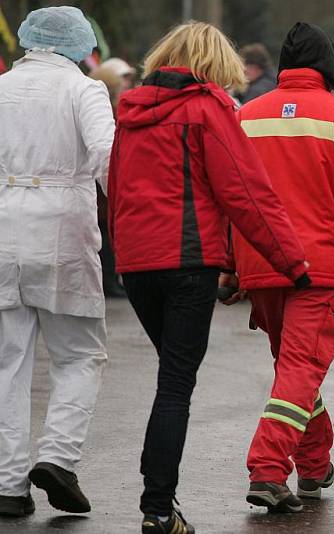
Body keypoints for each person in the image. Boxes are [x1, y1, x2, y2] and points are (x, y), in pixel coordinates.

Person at [107, 22, 308, 533]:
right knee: (175, 386)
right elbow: (246, 194)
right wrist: (293, 264)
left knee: (169, 380)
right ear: (215, 63)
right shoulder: (208, 109)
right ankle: (156, 506)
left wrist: (120, 257)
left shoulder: (128, 113)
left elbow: (116, 190)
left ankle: (159, 501)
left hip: (136, 265)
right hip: (187, 264)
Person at [229, 22, 334, 513]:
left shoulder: (246, 116)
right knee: (301, 368)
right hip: (319, 269)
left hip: (262, 264)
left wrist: (229, 264)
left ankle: (315, 465)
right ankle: (268, 469)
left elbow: (226, 195)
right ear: (329, 65)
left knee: (294, 371)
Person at [0, 6, 114, 517]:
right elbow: (109, 156)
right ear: (80, 44)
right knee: (79, 352)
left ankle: (7, 484)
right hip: (64, 226)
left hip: (3, 223)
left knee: (8, 362)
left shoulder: (1, 89)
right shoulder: (84, 90)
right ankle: (58, 457)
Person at [88, 66, 127, 298]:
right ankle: (109, 281)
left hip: (99, 186)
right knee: (105, 234)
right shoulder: (108, 111)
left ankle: (111, 280)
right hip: (102, 185)